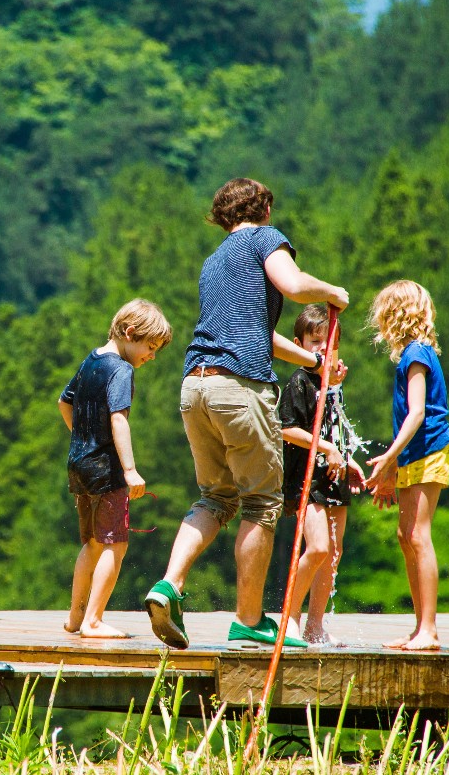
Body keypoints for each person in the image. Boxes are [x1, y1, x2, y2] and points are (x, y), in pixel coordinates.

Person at [145, 178, 348, 650]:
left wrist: (314, 362)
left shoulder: (214, 260)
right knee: (260, 503)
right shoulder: (265, 239)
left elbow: (258, 333)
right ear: (265, 209)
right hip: (240, 388)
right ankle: (249, 620)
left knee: (216, 497)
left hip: (195, 387)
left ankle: (169, 584)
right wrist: (332, 291)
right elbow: (294, 285)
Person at [59, 299, 172, 639]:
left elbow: (64, 401)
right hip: (106, 470)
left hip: (80, 464)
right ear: (130, 332)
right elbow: (119, 419)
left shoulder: (91, 359)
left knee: (92, 543)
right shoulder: (122, 370)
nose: (151, 356)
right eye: (150, 347)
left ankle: (76, 618)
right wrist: (130, 470)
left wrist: (83, 438)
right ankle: (93, 621)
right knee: (115, 545)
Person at [364, 280, 449, 651]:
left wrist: (389, 458)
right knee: (406, 536)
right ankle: (420, 627)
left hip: (429, 448)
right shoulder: (411, 354)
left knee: (418, 535)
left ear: (396, 314)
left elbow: (417, 413)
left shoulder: (417, 352)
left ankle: (429, 630)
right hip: (414, 453)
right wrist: (393, 468)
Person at [278, 304, 365, 647]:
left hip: (334, 475)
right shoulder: (299, 382)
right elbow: (287, 429)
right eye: (315, 342)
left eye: (329, 342)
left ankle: (315, 626)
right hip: (308, 479)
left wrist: (347, 458)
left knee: (332, 554)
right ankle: (289, 618)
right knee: (317, 548)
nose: (323, 349)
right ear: (298, 345)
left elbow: (336, 426)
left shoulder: (334, 384)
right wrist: (328, 448)